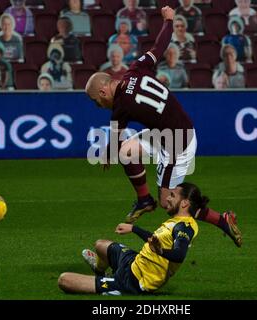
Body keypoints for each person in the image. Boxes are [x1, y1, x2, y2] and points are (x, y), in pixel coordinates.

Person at [84, 6, 242, 247]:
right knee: (128, 152)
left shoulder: (121, 107)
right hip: (167, 133)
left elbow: (115, 137)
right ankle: (144, 200)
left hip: (178, 144)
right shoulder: (134, 70)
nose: (99, 105)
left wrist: (107, 154)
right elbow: (159, 47)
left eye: (97, 101)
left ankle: (222, 220)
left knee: (171, 204)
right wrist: (168, 21)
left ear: (105, 90)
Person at [59, 182, 210, 295]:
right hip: (134, 262)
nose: (167, 199)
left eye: (172, 195)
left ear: (184, 203)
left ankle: (110, 283)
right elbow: (155, 240)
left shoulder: (185, 228)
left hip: (134, 281)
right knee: (100, 245)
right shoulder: (176, 222)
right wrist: (133, 228)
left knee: (64, 280)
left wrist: (160, 251)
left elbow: (179, 255)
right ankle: (101, 273)